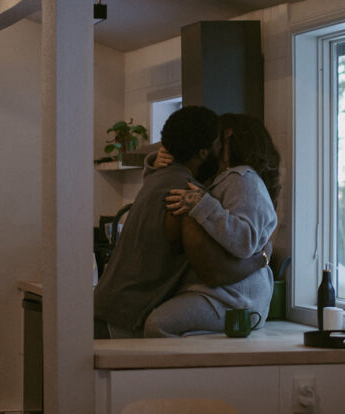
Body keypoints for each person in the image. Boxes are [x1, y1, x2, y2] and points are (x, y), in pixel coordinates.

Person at [94, 106, 268, 338]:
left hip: (110, 307)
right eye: (217, 142)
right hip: (123, 315)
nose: (219, 148)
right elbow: (213, 269)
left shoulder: (167, 181)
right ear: (204, 152)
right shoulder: (186, 191)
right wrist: (260, 259)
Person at [143, 113, 280, 337]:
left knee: (157, 325)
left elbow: (245, 241)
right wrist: (157, 167)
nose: (210, 145)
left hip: (236, 299)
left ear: (228, 141)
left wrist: (203, 205)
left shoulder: (244, 178)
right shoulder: (220, 180)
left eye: (216, 139)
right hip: (216, 293)